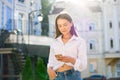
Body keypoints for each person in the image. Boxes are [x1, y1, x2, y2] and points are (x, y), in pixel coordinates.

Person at [47, 13, 87, 80]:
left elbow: (83, 65)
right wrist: (49, 69)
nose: (63, 28)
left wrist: (71, 60)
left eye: (65, 25)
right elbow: (51, 61)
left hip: (73, 76)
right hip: (58, 76)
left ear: (71, 23)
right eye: (60, 26)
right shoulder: (55, 42)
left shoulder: (79, 41)